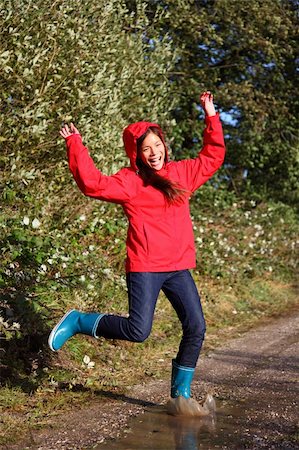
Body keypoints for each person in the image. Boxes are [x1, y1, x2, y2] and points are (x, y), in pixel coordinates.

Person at [48, 91, 225, 400]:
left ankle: (180, 395)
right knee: (138, 331)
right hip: (146, 266)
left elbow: (213, 156)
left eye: (157, 145)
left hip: (178, 267)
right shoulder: (131, 181)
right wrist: (75, 144)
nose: (154, 152)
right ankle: (79, 320)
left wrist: (210, 114)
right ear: (137, 153)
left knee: (196, 327)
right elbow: (92, 183)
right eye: (146, 149)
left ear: (164, 146)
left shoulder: (182, 174)